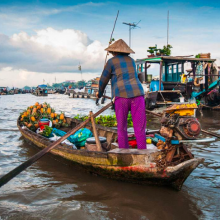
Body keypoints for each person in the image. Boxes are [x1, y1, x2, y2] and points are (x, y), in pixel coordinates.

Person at [96, 39, 147, 150]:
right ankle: (143, 152)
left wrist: (99, 94)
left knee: (122, 127)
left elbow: (103, 80)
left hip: (122, 96)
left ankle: (124, 152)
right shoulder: (132, 61)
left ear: (114, 52)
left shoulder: (111, 62)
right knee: (139, 127)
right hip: (138, 94)